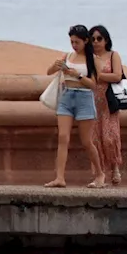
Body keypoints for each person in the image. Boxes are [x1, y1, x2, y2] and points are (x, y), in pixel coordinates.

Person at [45, 24, 106, 188]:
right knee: (63, 137)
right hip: (67, 96)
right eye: (72, 42)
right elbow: (49, 72)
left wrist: (77, 75)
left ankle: (100, 174)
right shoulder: (68, 56)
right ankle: (59, 177)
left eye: (77, 42)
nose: (74, 45)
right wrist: (56, 65)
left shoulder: (93, 60)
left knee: (86, 140)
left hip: (84, 98)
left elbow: (94, 84)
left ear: (86, 41)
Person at [88, 25, 125, 185]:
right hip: (92, 100)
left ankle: (115, 167)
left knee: (110, 137)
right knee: (94, 138)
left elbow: (117, 76)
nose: (96, 42)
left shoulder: (113, 55)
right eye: (93, 39)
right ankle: (99, 172)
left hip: (109, 101)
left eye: (99, 38)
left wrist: (98, 75)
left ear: (106, 40)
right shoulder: (88, 57)